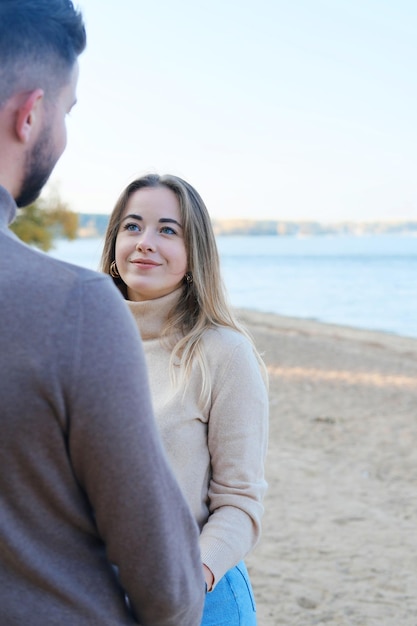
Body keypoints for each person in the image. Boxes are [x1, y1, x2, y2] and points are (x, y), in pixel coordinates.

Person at [0, 3, 205, 625]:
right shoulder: (76, 309)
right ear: (30, 114)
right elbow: (169, 590)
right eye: (67, 111)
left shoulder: (218, 351)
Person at [101, 173, 269, 625]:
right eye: (132, 226)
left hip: (197, 596)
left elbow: (240, 502)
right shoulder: (83, 341)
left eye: (167, 230)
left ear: (195, 253)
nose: (145, 242)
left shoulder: (223, 353)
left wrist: (186, 579)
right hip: (95, 595)